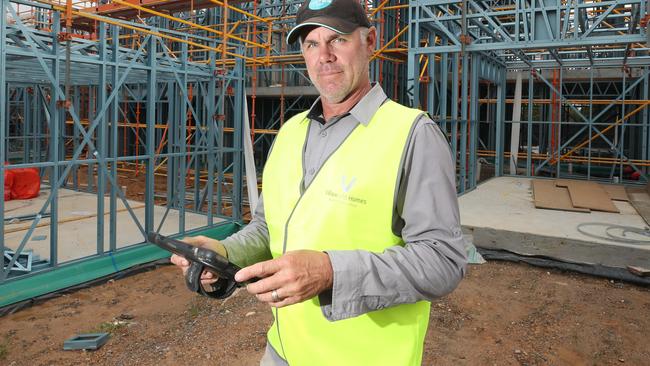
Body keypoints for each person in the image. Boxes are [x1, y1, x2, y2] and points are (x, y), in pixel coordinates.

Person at [171, 0, 467, 364]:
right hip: (283, 350)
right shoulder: (290, 132)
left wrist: (330, 271)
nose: (323, 55)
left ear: (370, 40)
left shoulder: (412, 134)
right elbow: (269, 228)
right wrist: (225, 254)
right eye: (311, 43)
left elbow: (443, 261)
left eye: (338, 39)